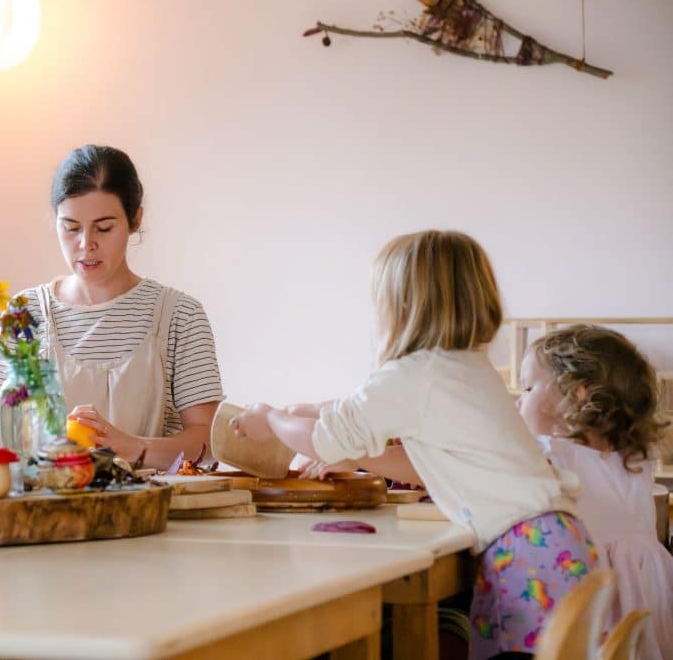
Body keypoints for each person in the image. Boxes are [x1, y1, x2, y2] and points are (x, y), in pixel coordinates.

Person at [232, 230, 596, 659]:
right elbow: (430, 463)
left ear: (403, 307)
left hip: (527, 553)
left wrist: (270, 420)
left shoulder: (416, 375)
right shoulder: (466, 369)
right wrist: (318, 415)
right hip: (554, 540)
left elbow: (324, 439)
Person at [0, 145, 223, 469]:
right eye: (71, 227)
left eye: (104, 227)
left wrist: (131, 446)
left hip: (155, 510)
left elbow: (208, 440)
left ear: (135, 219)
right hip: (46, 506)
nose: (86, 244)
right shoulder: (26, 314)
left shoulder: (179, 315)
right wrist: (43, 437)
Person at [519, 325, 672, 660]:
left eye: (528, 387)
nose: (520, 399)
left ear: (577, 394)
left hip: (595, 586)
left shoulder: (551, 453)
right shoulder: (636, 456)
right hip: (649, 586)